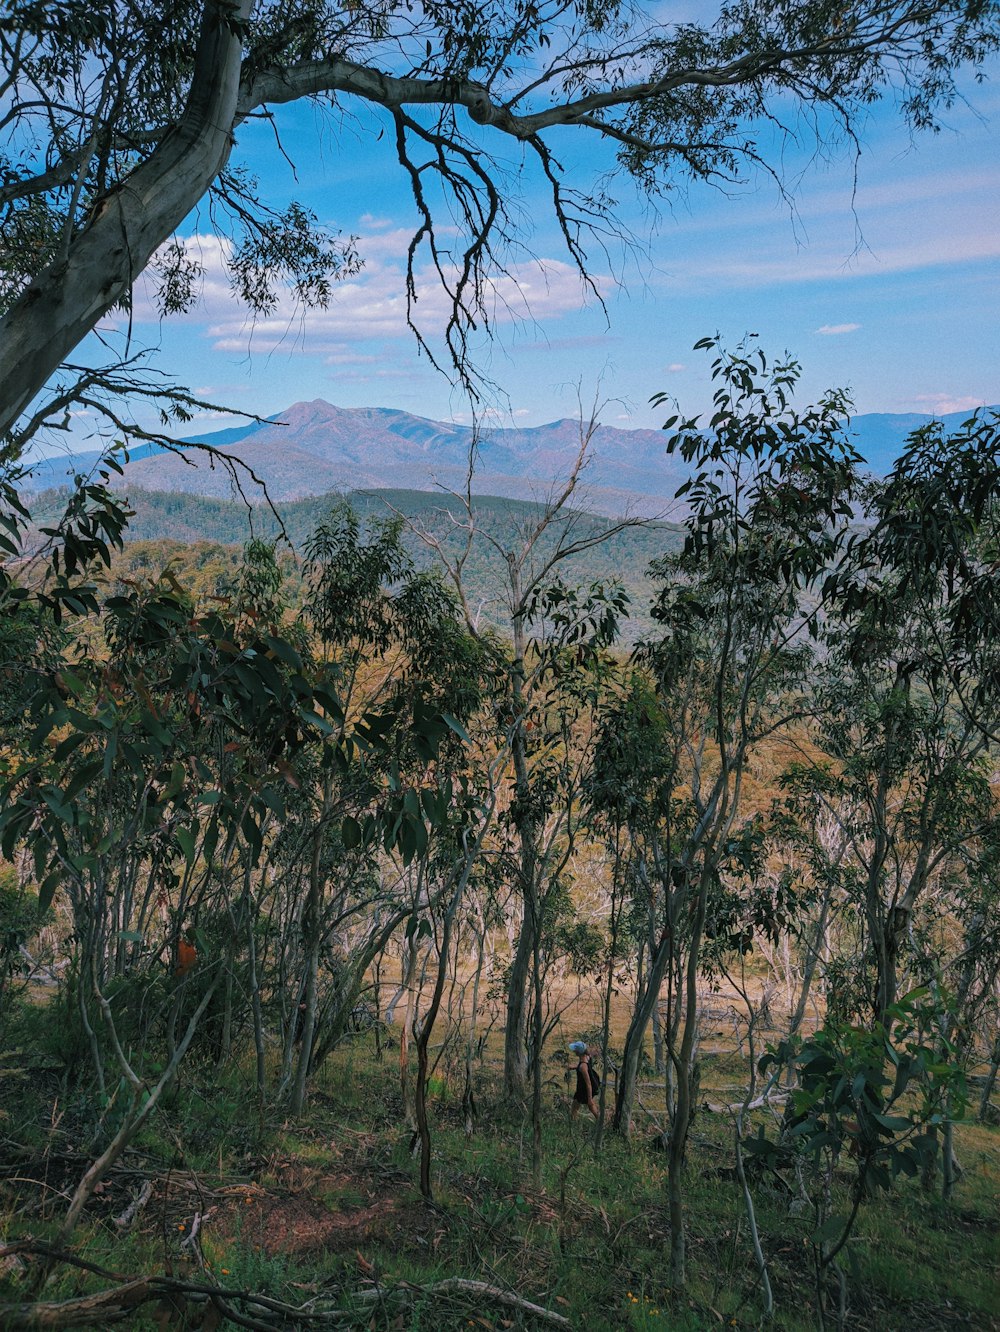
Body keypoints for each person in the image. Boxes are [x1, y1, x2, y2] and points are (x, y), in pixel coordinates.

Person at [570, 1041, 600, 1120]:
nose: (574, 1051)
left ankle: (600, 1121)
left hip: (584, 1089)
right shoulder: (587, 1057)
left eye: (575, 1050)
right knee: (576, 1106)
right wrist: (573, 1067)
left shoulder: (583, 1066)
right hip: (587, 1087)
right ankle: (600, 1121)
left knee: (587, 1106)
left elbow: (588, 1083)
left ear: (578, 1052)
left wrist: (589, 1099)